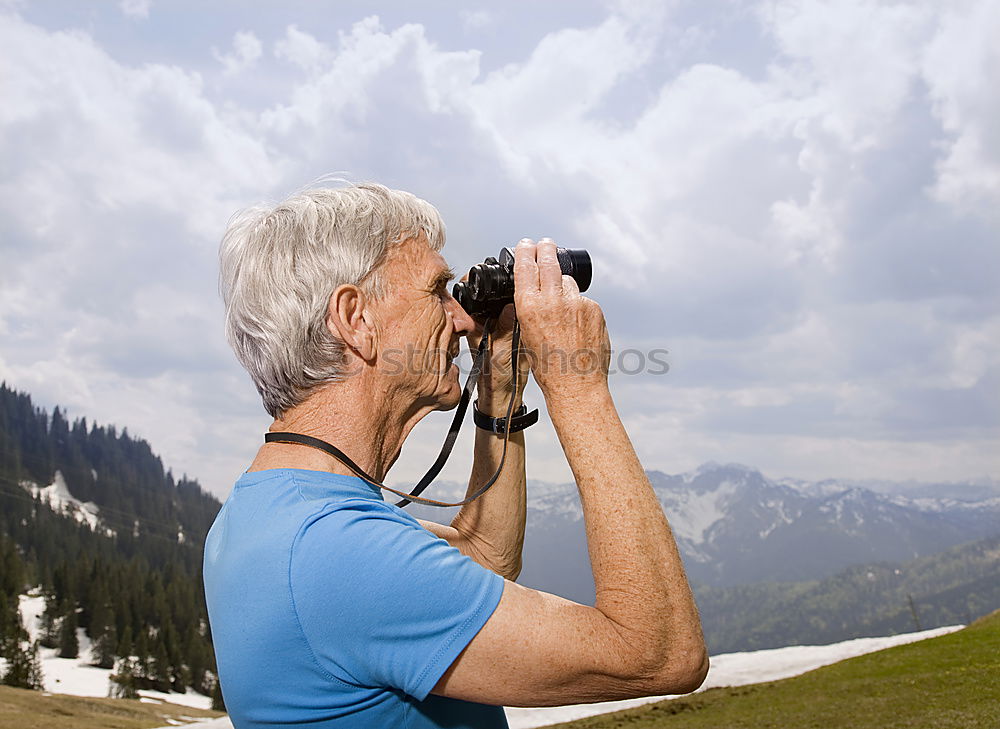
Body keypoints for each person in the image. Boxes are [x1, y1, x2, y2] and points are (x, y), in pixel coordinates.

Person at [204, 183, 708, 729]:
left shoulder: (275, 509)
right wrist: (577, 385)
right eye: (438, 292)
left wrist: (500, 387)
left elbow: (485, 558)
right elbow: (661, 654)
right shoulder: (338, 553)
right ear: (355, 320)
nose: (462, 318)